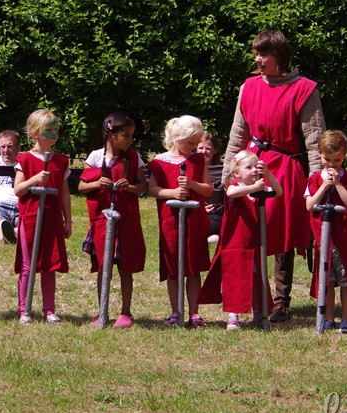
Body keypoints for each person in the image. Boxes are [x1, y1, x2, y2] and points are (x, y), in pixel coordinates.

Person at [223, 30, 326, 323]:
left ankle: (281, 301)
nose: (258, 59)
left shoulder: (304, 88)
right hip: (250, 165)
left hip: (285, 168)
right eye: (257, 53)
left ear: (280, 56)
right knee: (248, 232)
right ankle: (252, 297)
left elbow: (314, 137)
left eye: (264, 54)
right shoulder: (249, 87)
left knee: (282, 235)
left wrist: (316, 179)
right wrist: (229, 172)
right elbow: (238, 133)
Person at [200, 150, 283, 330]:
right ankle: (233, 316)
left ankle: (259, 314)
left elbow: (277, 192)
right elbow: (231, 193)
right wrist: (255, 188)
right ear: (237, 172)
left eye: (256, 167)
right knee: (235, 278)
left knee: (256, 277)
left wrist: (268, 174)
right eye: (249, 167)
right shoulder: (236, 187)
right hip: (235, 242)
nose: (254, 170)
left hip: (254, 243)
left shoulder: (259, 189)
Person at [79, 112, 147, 328]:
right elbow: (81, 186)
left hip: (126, 221)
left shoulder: (133, 158)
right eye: (125, 135)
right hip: (102, 222)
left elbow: (143, 185)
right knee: (104, 267)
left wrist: (131, 187)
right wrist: (97, 184)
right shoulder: (95, 157)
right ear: (110, 135)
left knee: (125, 267)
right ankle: (102, 311)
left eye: (131, 136)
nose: (129, 140)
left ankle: (126, 312)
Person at [148, 116, 212, 328]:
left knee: (193, 267)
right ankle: (176, 311)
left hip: (194, 221)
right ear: (176, 137)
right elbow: (153, 190)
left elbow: (208, 189)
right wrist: (173, 193)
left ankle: (194, 313)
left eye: (195, 143)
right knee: (173, 267)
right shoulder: (159, 162)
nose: (193, 147)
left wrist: (192, 184)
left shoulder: (198, 161)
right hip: (170, 221)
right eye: (189, 142)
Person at [13, 110, 72, 324]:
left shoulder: (61, 161)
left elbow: (64, 193)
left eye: (56, 129)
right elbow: (18, 189)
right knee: (28, 265)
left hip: (51, 219)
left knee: (50, 265)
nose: (53, 134)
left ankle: (49, 309)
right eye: (48, 130)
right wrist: (35, 179)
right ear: (35, 133)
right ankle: (24, 310)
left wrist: (68, 219)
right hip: (30, 219)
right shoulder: (25, 160)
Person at [304, 130, 347, 334]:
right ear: (320, 155)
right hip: (324, 238)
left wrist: (337, 184)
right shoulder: (314, 179)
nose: (331, 164)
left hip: (345, 237)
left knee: (346, 277)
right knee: (326, 278)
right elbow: (310, 205)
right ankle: (328, 317)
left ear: (344, 156)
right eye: (327, 159)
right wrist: (324, 186)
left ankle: (346, 318)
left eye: (337, 160)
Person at [198, 132, 224, 243]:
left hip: (216, 215)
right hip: (196, 212)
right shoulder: (191, 169)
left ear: (215, 150)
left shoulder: (224, 171)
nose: (204, 151)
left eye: (208, 148)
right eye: (200, 148)